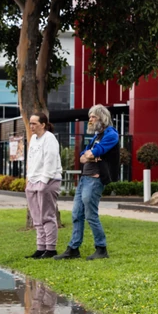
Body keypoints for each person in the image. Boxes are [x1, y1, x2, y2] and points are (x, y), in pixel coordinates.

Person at [55, 104, 119, 261]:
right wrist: (90, 156)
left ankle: (101, 248)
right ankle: (73, 248)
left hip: (95, 179)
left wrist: (91, 155)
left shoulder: (111, 134)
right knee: (77, 214)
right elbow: (83, 156)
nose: (90, 120)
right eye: (90, 117)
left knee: (90, 215)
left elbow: (94, 153)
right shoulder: (96, 136)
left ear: (102, 118)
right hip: (84, 178)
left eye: (93, 117)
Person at [25, 113, 63, 259]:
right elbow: (31, 160)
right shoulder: (33, 139)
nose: (31, 126)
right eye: (30, 123)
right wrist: (29, 179)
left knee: (47, 216)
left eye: (34, 123)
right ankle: (40, 247)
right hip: (33, 181)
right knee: (36, 217)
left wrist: (44, 181)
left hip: (48, 181)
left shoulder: (49, 138)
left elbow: (50, 161)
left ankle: (51, 248)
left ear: (43, 124)